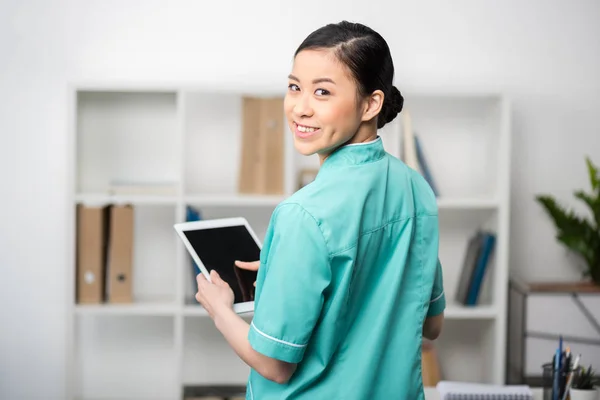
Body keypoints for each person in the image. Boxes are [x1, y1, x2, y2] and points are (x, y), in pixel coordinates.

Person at [195, 20, 445, 399]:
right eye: (295, 87)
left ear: (371, 103)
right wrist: (289, 267)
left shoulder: (302, 215)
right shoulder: (416, 188)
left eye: (323, 92)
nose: (300, 108)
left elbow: (275, 365)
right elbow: (432, 324)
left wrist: (221, 310)